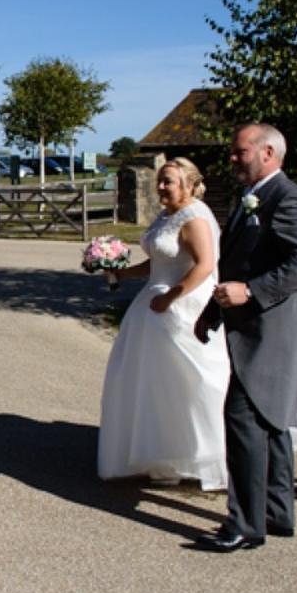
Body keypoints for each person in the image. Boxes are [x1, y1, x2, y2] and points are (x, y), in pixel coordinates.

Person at [193, 124, 297, 552]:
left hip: (270, 329)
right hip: (251, 326)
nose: (232, 158)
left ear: (267, 152)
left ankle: (246, 524)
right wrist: (213, 311)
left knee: (244, 421)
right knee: (269, 421)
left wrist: (250, 292)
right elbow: (239, 262)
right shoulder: (251, 198)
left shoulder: (288, 198)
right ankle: (276, 513)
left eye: (239, 151)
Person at [97, 159, 229, 490]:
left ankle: (201, 455)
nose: (160, 187)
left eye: (167, 182)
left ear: (188, 183)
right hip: (151, 306)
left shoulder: (195, 217)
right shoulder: (166, 215)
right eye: (159, 181)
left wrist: (171, 298)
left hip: (180, 307)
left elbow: (205, 266)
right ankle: (161, 454)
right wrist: (121, 272)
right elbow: (158, 261)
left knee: (188, 382)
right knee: (151, 383)